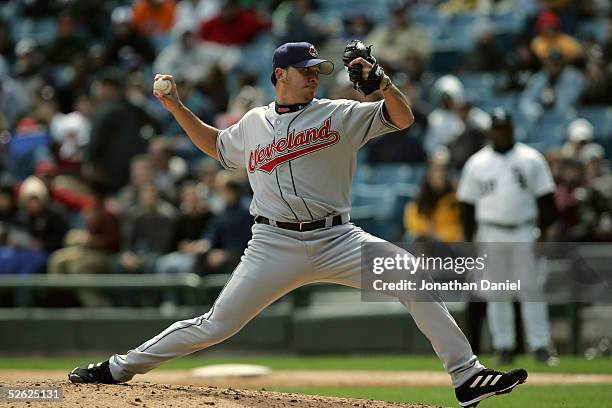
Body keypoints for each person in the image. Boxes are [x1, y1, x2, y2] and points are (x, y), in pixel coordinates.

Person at [69, 41, 527, 408]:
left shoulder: (340, 113)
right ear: (278, 76)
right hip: (273, 243)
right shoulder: (253, 123)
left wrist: (383, 83)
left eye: (317, 71)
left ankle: (466, 375)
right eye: (306, 70)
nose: (314, 76)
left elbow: (402, 118)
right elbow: (217, 147)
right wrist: (175, 108)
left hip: (338, 237)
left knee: (409, 274)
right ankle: (118, 367)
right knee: (217, 324)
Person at [457, 108, 559, 366]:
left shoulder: (531, 158)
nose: (500, 133)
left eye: (504, 128)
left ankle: (540, 346)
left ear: (512, 129)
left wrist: (543, 236)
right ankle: (504, 346)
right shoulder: (477, 162)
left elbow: (547, 202)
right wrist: (470, 240)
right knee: (496, 293)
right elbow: (466, 207)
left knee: (530, 290)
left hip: (525, 230)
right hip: (490, 231)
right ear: (491, 131)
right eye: (497, 129)